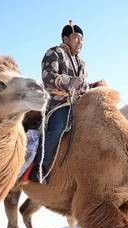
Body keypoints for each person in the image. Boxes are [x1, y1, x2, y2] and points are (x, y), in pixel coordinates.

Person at [25, 20, 105, 183]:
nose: (80, 42)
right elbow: (49, 79)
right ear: (65, 38)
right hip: (58, 104)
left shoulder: (82, 64)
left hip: (78, 106)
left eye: (82, 39)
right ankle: (40, 167)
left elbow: (81, 88)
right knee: (58, 128)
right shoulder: (53, 53)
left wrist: (93, 86)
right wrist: (77, 83)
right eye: (76, 38)